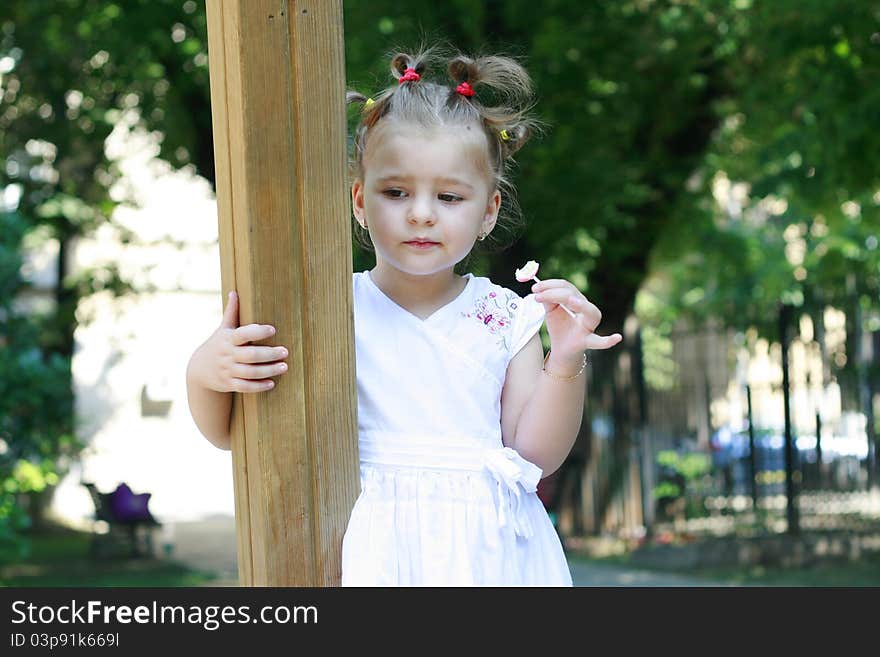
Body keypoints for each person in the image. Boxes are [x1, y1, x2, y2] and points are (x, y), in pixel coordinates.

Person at [186, 47, 622, 586]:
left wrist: (566, 361)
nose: (420, 211)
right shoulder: (326, 309)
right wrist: (206, 372)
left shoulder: (504, 315)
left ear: (488, 212)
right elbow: (230, 433)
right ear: (359, 201)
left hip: (485, 555)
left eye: (448, 196)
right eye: (395, 192)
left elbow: (534, 454)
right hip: (366, 543)